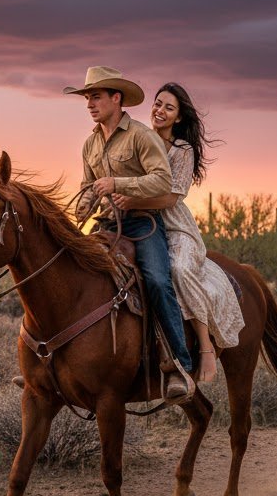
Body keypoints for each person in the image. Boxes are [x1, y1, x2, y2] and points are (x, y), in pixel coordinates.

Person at [65, 66, 195, 403]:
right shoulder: (90, 143)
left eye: (95, 96)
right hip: (106, 225)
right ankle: (57, 365)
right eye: (87, 97)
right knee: (68, 274)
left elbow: (162, 181)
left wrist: (118, 183)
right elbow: (88, 186)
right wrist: (83, 206)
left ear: (116, 98)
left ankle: (178, 365)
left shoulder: (140, 135)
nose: (89, 103)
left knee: (156, 280)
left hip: (141, 224)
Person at [111, 82, 244, 383]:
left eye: (168, 107)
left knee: (181, 270)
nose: (160, 111)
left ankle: (205, 346)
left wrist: (133, 199)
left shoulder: (182, 151)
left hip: (173, 224)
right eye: (158, 104)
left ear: (179, 118)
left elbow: (173, 197)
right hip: (137, 221)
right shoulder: (139, 139)